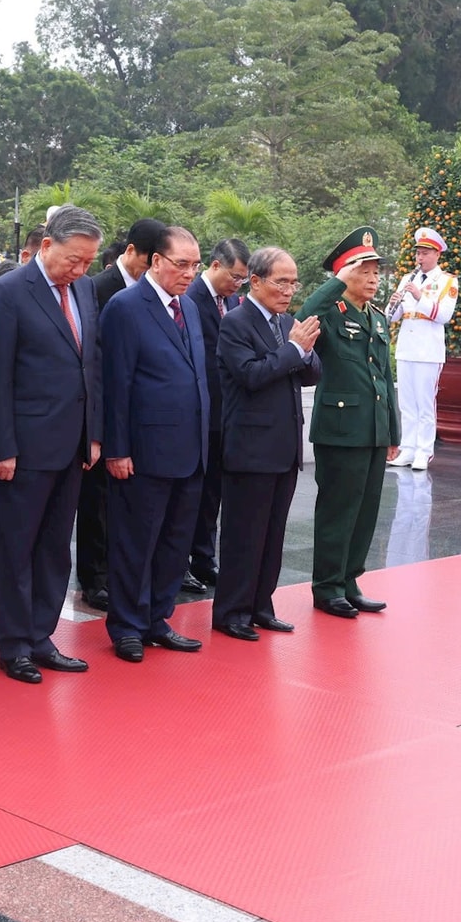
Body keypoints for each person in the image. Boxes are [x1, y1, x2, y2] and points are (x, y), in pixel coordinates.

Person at [0, 205, 103, 684]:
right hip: (24, 447)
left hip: (72, 443)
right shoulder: (9, 291)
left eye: (88, 262)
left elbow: (90, 365)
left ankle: (42, 635)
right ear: (46, 245)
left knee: (55, 548)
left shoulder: (87, 290)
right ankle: (14, 646)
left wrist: (94, 434)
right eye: (74, 259)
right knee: (16, 549)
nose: (80, 270)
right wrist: (1, 447)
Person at [99, 224, 209, 661]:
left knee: (174, 542)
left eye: (195, 265)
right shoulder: (126, 307)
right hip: (143, 452)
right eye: (181, 264)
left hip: (189, 450)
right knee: (134, 542)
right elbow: (116, 383)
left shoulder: (190, 308)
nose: (189, 273)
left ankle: (157, 618)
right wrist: (117, 448)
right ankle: (126, 624)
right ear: (155, 261)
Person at [213, 247, 322, 639]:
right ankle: (232, 612)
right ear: (255, 281)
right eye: (282, 281)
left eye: (294, 282)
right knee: (245, 534)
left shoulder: (287, 321)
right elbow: (250, 375)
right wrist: (293, 350)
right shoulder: (236, 323)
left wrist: (303, 351)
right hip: (250, 448)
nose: (289, 290)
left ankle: (261, 605)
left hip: (284, 446)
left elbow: (311, 374)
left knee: (273, 535)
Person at [298, 227, 400, 618]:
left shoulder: (375, 316)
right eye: (365, 270)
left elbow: (384, 378)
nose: (374, 278)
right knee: (338, 509)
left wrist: (393, 430)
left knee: (365, 509)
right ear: (344, 274)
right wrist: (333, 285)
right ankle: (327, 586)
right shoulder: (331, 312)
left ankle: (350, 580)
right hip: (341, 431)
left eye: (376, 271)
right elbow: (303, 317)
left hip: (372, 429)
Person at [76, 218, 167, 612]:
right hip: (102, 408)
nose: (150, 270)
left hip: (140, 414)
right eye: (146, 261)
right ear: (130, 252)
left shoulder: (157, 295)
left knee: (126, 504)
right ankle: (93, 577)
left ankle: (120, 573)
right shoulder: (98, 289)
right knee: (95, 502)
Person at [183, 238, 248, 593]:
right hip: (200, 410)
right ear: (216, 265)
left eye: (243, 280)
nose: (238, 285)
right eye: (235, 277)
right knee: (193, 491)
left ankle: (204, 558)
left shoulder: (232, 302)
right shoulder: (191, 298)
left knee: (214, 492)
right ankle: (181, 562)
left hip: (226, 411)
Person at [389, 227, 456, 471]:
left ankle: (424, 450)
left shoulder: (447, 281)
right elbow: (394, 316)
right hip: (407, 345)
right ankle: (407, 447)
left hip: (429, 348)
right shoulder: (408, 278)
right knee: (406, 402)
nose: (420, 258)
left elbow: (444, 315)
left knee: (425, 403)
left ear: (437, 254)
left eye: (425, 253)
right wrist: (393, 305)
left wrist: (419, 297)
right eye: (418, 253)